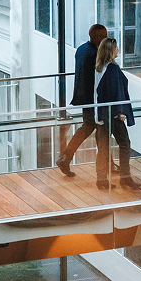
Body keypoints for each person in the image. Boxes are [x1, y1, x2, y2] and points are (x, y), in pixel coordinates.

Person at [57, 24, 108, 177]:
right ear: (98, 37)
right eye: (104, 36)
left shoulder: (81, 49)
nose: (106, 39)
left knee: (92, 127)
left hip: (83, 96)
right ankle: (67, 157)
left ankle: (66, 157)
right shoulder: (95, 54)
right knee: (99, 128)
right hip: (93, 99)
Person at [94, 37, 141, 191]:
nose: (118, 50)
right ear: (111, 51)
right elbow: (118, 92)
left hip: (101, 114)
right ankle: (125, 178)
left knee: (103, 148)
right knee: (125, 144)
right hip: (113, 114)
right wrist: (122, 111)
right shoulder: (113, 69)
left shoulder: (99, 68)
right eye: (116, 48)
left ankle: (101, 180)